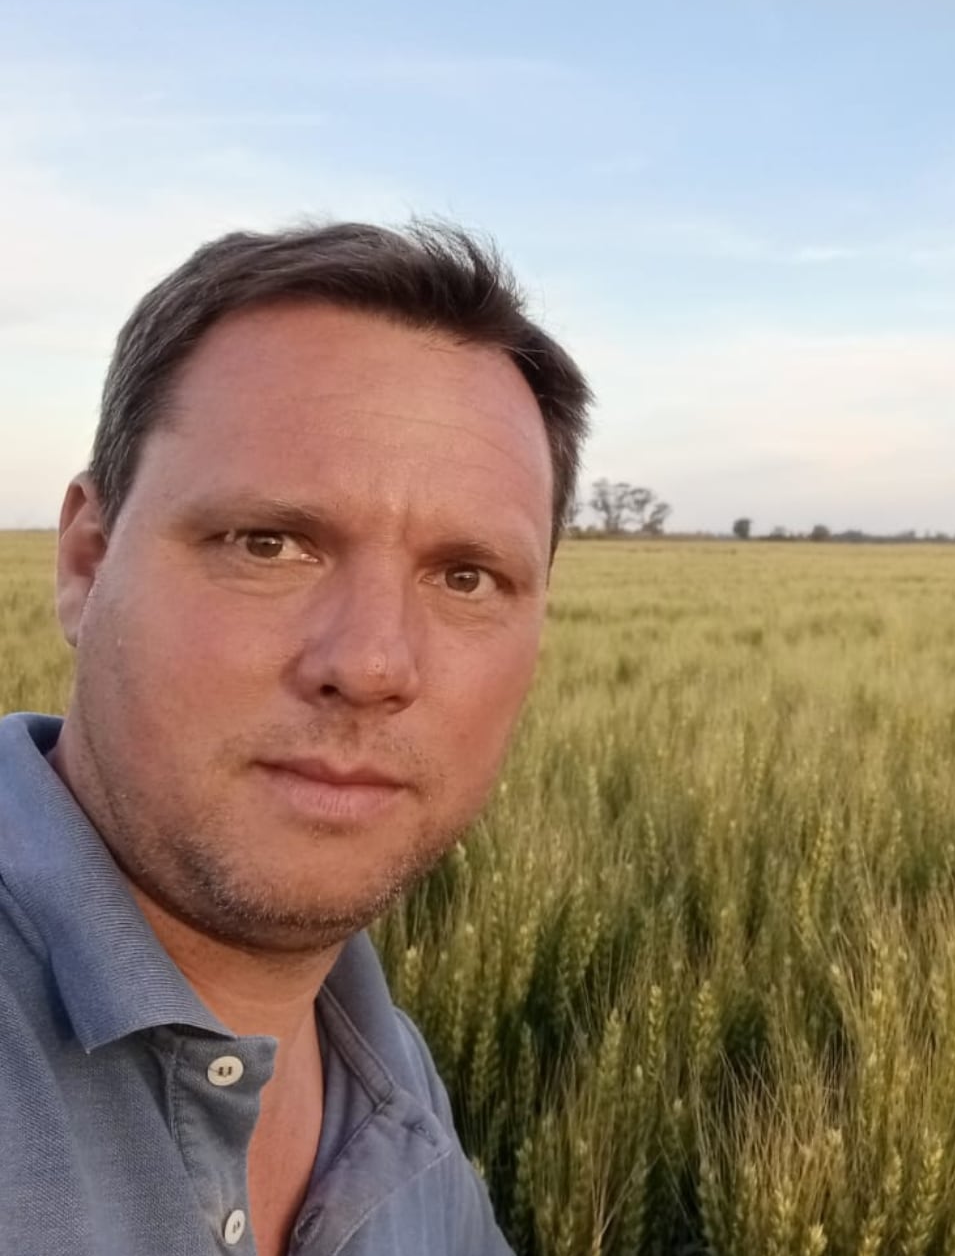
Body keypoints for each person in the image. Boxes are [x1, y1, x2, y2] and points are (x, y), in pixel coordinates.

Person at [0, 221, 591, 1254]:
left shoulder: (388, 1081)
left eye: (465, 577)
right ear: (88, 562)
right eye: (267, 543)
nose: (369, 665)